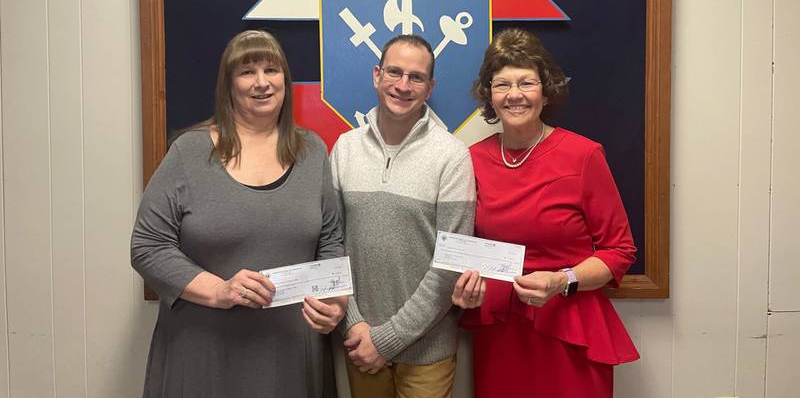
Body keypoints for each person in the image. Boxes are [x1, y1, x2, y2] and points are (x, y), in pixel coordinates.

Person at [131, 30, 346, 398]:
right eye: (247, 72)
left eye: (271, 70)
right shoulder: (189, 153)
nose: (261, 82)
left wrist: (335, 303)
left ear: (285, 80)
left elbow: (331, 242)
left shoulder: (312, 151)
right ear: (228, 85)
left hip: (290, 357)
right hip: (203, 355)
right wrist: (220, 290)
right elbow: (147, 246)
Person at [453, 28, 639, 398]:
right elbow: (462, 246)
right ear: (489, 94)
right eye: (502, 84)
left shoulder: (583, 156)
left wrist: (561, 280)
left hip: (568, 328)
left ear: (545, 89)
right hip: (501, 332)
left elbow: (620, 252)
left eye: (526, 82)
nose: (515, 95)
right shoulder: (470, 160)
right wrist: (463, 287)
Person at [330, 35, 476, 398]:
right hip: (358, 341)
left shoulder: (452, 157)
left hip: (427, 350)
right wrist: (354, 325)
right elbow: (331, 243)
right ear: (377, 75)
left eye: (416, 77)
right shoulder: (344, 149)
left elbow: (451, 265)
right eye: (394, 72)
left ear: (430, 87)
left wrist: (386, 340)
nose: (402, 85)